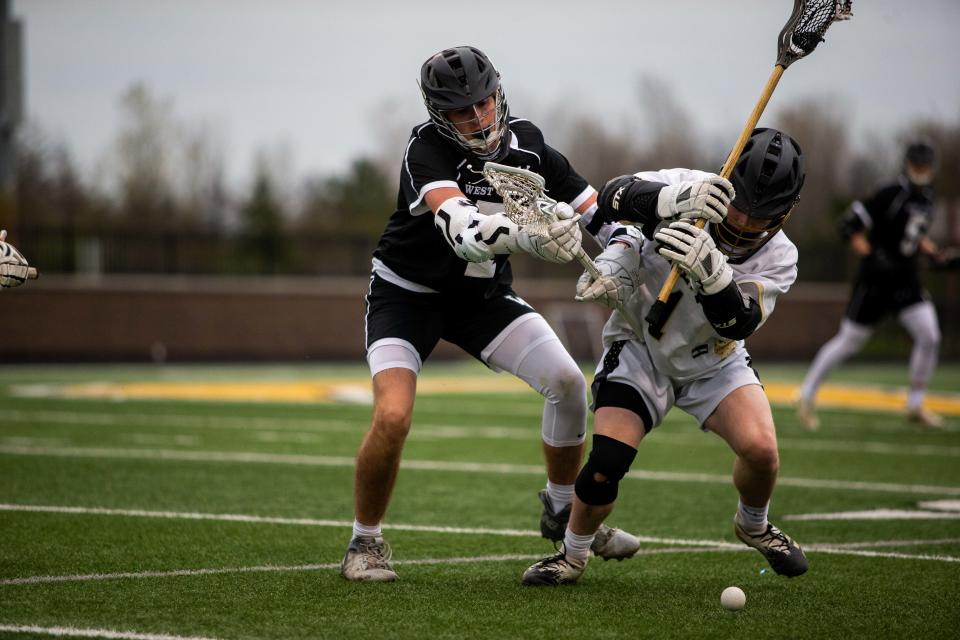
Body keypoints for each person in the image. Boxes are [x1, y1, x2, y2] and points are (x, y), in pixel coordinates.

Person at [341, 45, 705, 581]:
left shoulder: (530, 145)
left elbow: (602, 217)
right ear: (439, 113)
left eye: (485, 103)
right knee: (393, 416)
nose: (479, 117)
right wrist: (529, 235)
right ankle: (363, 543)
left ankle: (562, 510)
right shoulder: (425, 150)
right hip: (407, 295)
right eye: (463, 109)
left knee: (568, 382)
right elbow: (463, 231)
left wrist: (618, 260)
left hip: (482, 299)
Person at [521, 128, 810, 586]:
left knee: (762, 453)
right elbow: (613, 197)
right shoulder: (684, 183)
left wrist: (715, 278)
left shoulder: (781, 257)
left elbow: (739, 323)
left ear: (786, 212)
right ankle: (573, 556)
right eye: (739, 206)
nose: (745, 222)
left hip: (715, 360)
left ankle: (753, 524)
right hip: (640, 346)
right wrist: (672, 200)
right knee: (606, 463)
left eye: (762, 215)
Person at [797, 139, 944, 430]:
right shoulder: (890, 193)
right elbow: (849, 225)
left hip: (906, 280)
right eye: (917, 164)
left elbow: (913, 236)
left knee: (930, 336)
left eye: (925, 165)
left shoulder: (927, 198)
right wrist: (871, 254)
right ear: (908, 164)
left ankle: (915, 403)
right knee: (849, 342)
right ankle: (807, 394)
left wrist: (936, 255)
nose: (921, 170)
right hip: (876, 281)